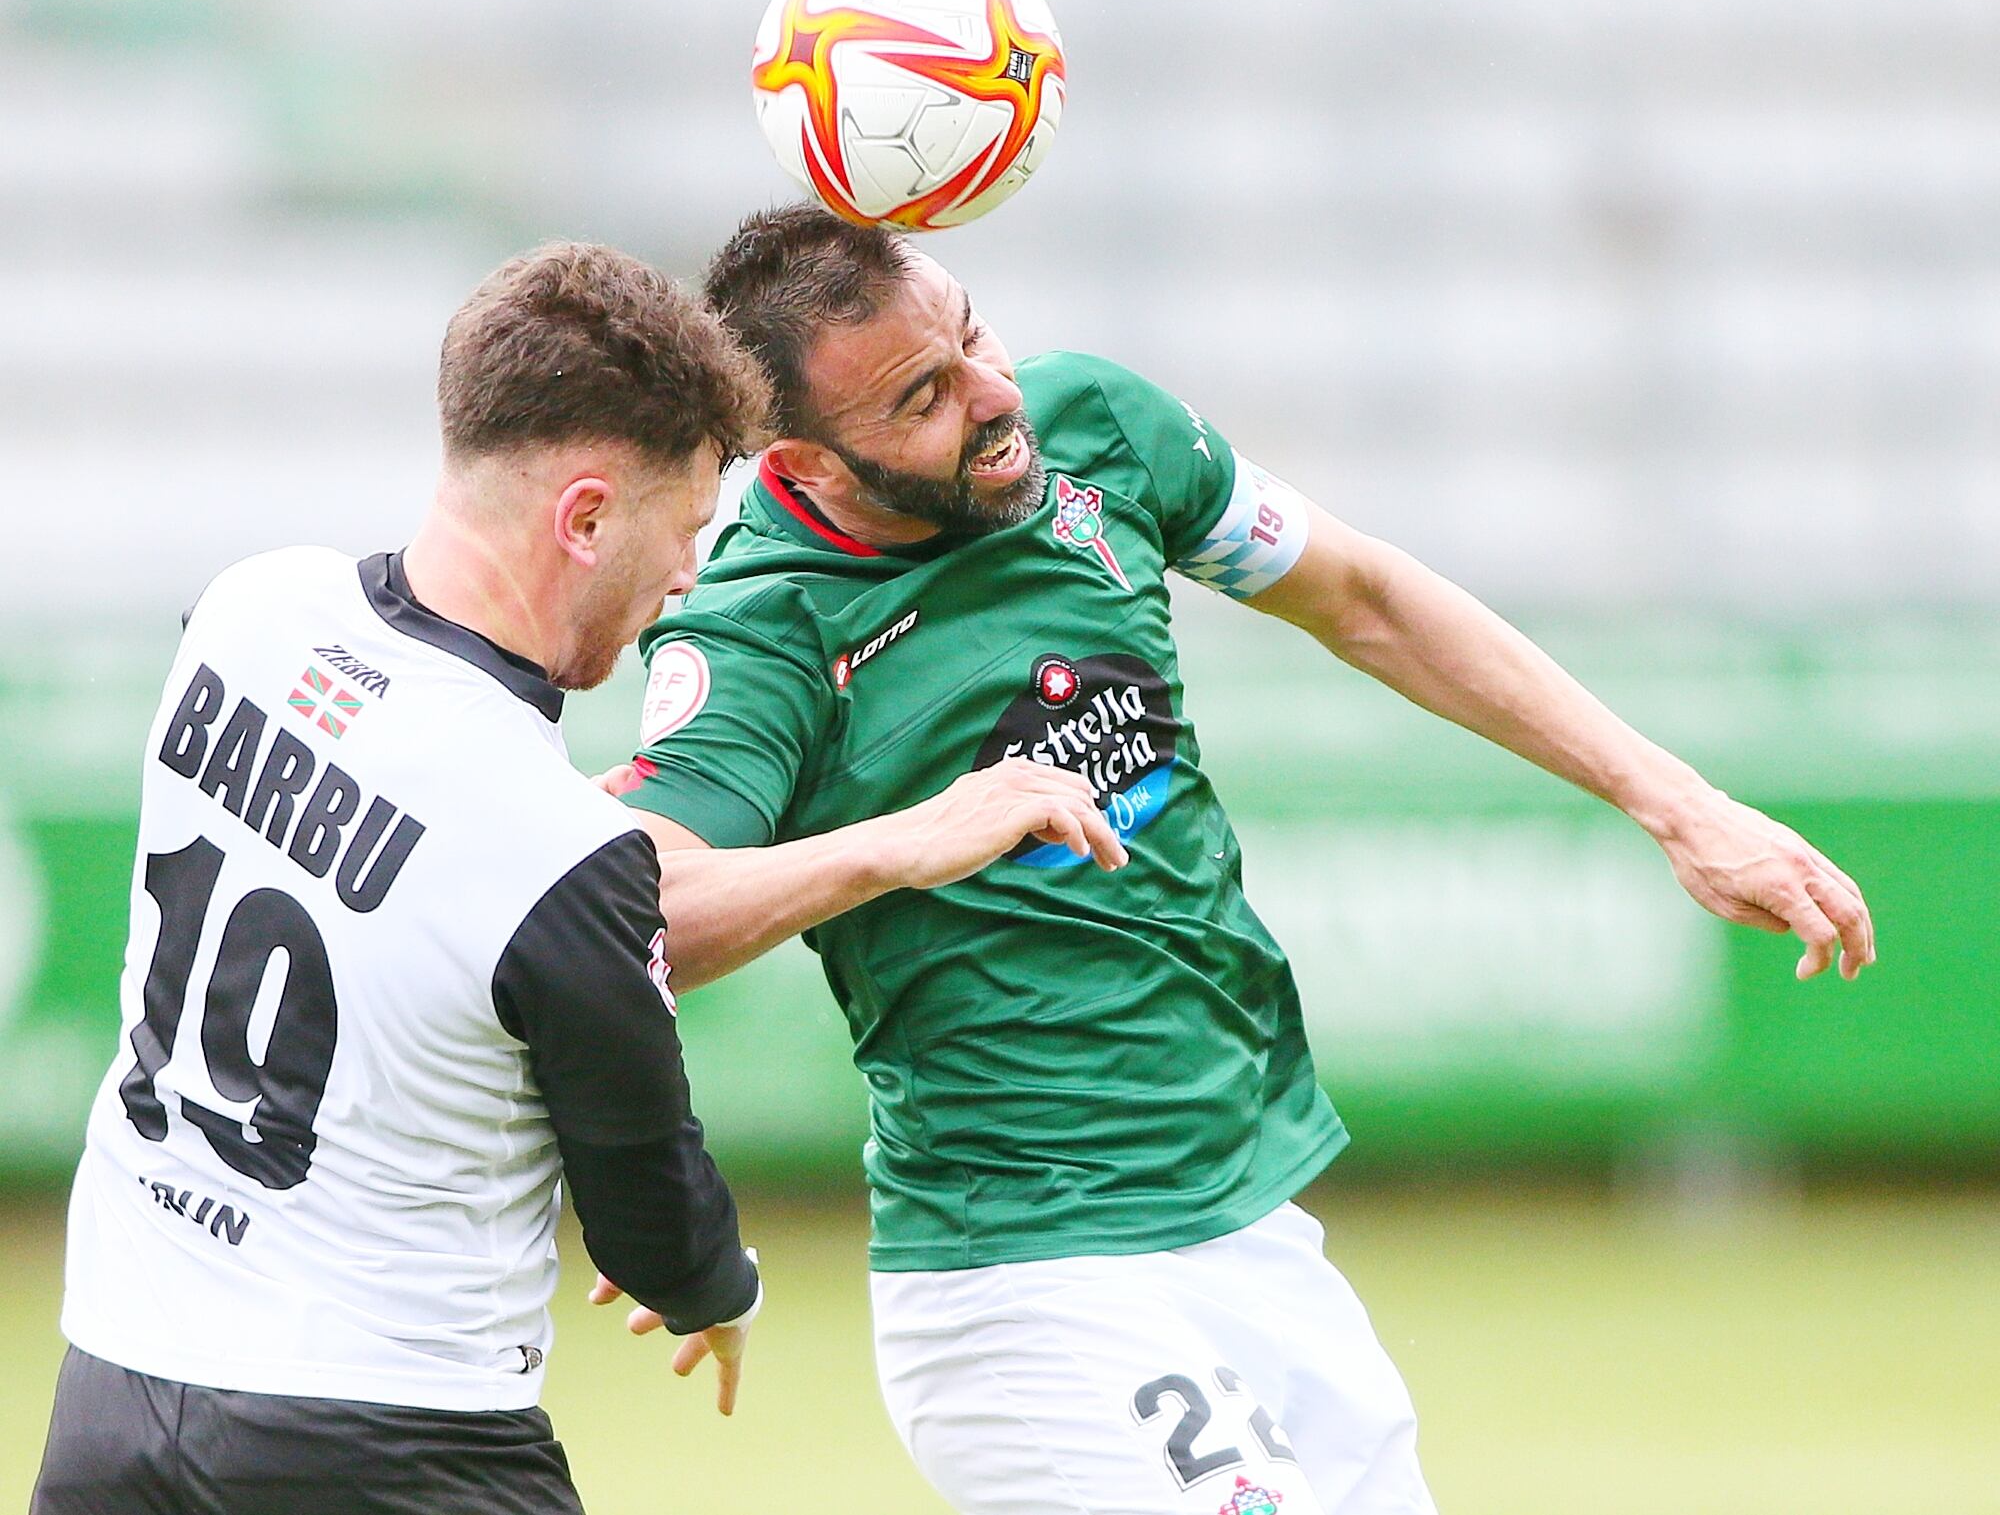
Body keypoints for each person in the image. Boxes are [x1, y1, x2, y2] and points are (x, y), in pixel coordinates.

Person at [608, 204, 1878, 1515]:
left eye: (975, 334)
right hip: (1032, 1280)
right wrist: (903, 842)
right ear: (805, 460)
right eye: (924, 397)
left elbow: (1366, 599)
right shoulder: (764, 626)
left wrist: (1678, 803)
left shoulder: (1097, 430)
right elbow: (640, 910)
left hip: (1248, 1224)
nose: (994, 398)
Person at [32, 240, 1121, 1515]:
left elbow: (373, 799)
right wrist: (720, 1287)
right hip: (391, 1436)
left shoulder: (247, 608)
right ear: (588, 515)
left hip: (112, 1393)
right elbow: (647, 1206)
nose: (686, 580)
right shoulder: (553, 852)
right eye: (687, 528)